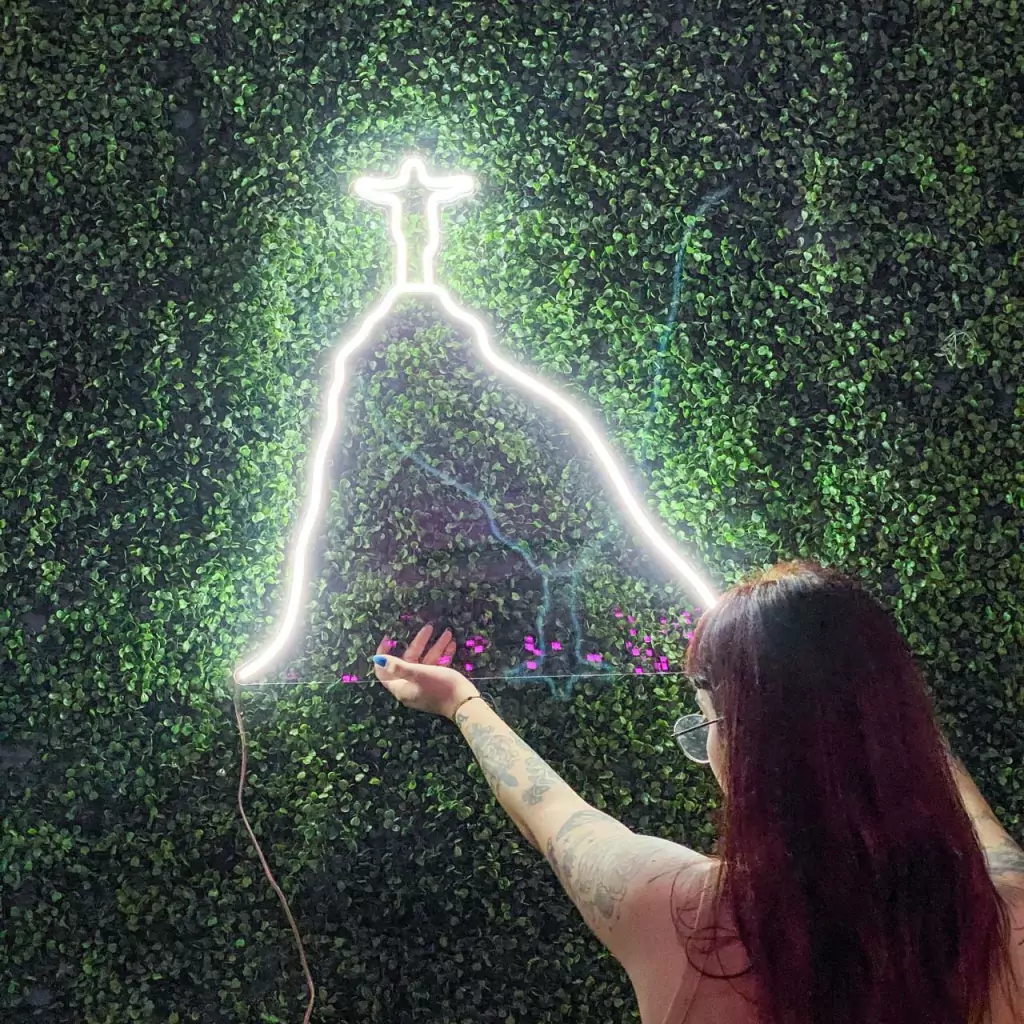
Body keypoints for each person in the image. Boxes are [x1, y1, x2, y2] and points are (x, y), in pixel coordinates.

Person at [371, 560, 1024, 1023]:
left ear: (744, 749)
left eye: (708, 719)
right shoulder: (1010, 914)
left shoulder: (679, 914)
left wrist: (461, 701)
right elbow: (975, 821)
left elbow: (554, 815)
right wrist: (873, 708)